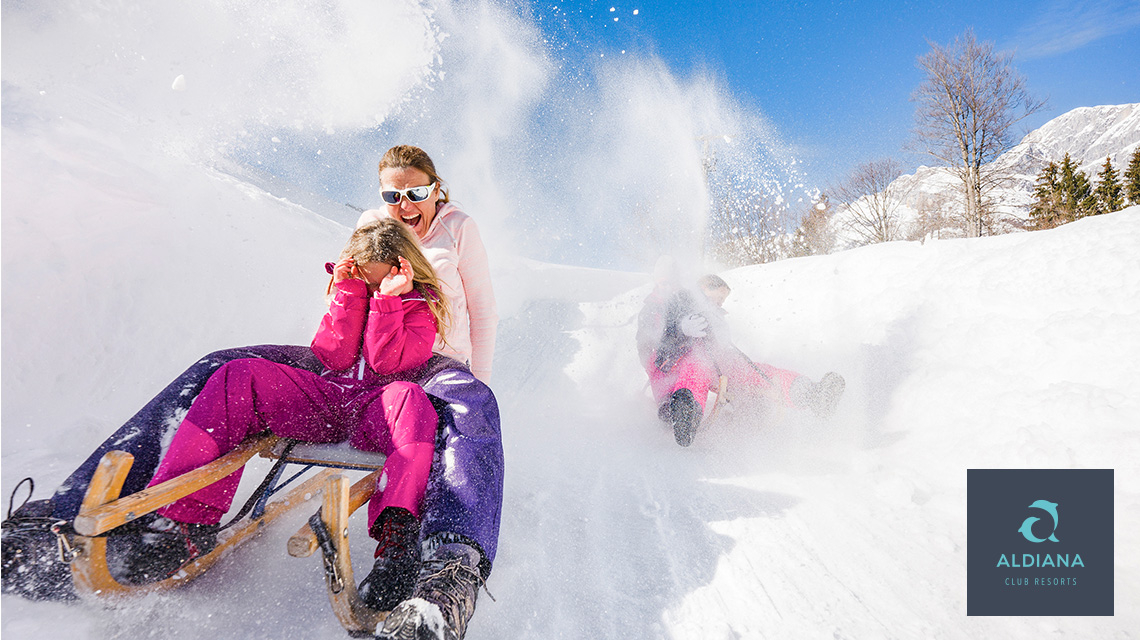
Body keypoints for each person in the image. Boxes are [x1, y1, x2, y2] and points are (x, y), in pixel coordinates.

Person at [3, 146, 502, 640]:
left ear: (437, 189)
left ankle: (446, 576)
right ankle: (84, 514)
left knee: (472, 407)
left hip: (432, 365)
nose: (404, 202)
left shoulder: (459, 229)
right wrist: (351, 293)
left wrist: (474, 378)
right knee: (226, 368)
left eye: (416, 191)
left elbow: (481, 311)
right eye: (394, 193)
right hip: (350, 369)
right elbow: (334, 342)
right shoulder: (374, 225)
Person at [112, 220, 444, 612]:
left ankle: (397, 547)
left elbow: (387, 362)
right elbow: (332, 356)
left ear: (401, 271)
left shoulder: (421, 308)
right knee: (239, 373)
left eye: (378, 282)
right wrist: (350, 294)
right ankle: (183, 522)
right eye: (364, 279)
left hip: (380, 410)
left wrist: (388, 302)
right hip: (327, 401)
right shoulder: (351, 293)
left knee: (412, 399)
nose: (373, 289)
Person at [637, 266, 844, 447]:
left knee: (755, 370)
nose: (719, 304)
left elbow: (723, 342)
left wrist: (717, 332)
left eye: (722, 300)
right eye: (716, 298)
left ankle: (810, 393)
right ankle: (686, 416)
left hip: (718, 360)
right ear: (701, 291)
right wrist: (682, 329)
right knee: (695, 370)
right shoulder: (682, 300)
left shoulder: (717, 314)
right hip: (683, 360)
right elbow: (664, 337)